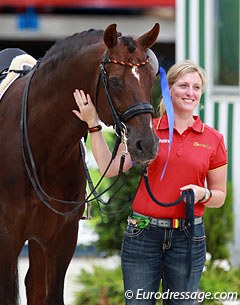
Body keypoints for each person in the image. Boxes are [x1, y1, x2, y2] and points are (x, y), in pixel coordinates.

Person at [72, 60, 227, 305]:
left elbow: (219, 196)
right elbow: (110, 169)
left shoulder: (213, 139)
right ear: (169, 89)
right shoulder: (147, 130)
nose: (190, 93)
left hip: (188, 237)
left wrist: (202, 194)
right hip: (143, 235)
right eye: (183, 85)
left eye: (196, 87)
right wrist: (93, 124)